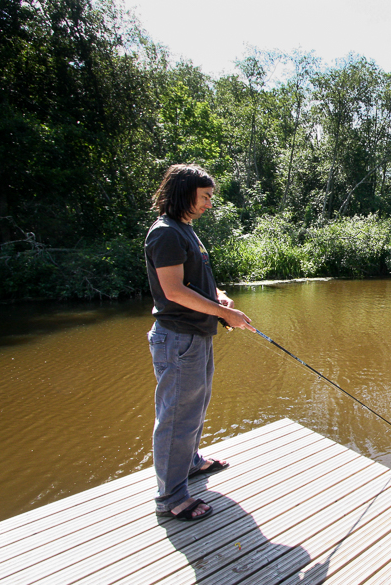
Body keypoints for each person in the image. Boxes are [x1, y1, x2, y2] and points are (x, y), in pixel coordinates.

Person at [145, 164, 254, 521]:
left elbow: (196, 282)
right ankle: (171, 497)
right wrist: (225, 316)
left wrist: (219, 298)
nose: (209, 203)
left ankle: (189, 464)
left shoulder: (185, 231)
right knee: (176, 416)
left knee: (194, 406)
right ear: (184, 193)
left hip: (194, 336)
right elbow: (173, 291)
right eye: (205, 196)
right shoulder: (165, 234)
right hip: (178, 338)